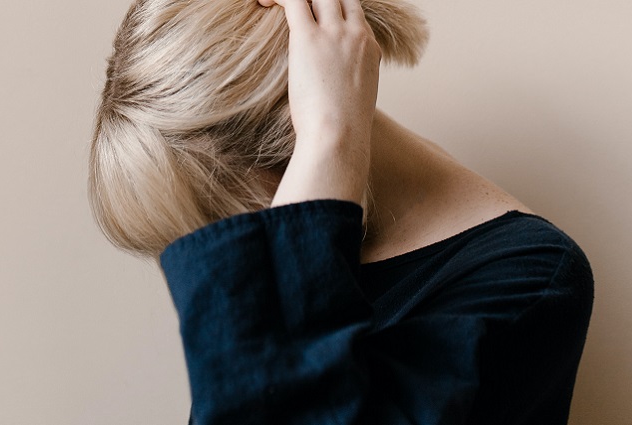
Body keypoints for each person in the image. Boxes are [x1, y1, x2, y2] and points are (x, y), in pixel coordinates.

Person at [90, 0, 594, 423]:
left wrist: (332, 136)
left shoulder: (531, 278)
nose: (234, 265)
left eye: (225, 221)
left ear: (295, 141)